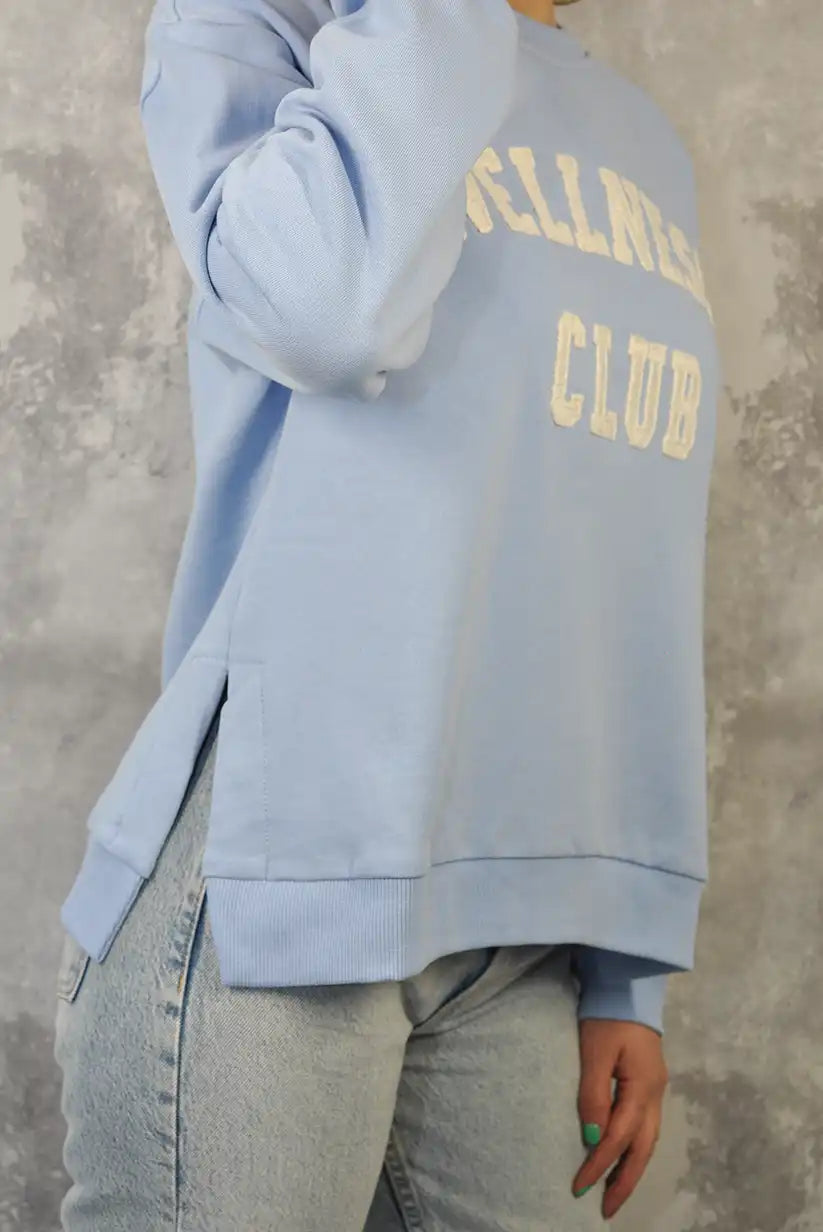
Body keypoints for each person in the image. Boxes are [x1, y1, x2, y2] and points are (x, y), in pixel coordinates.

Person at [53, 0, 720, 1226]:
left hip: (518, 929)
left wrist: (625, 966)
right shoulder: (253, 28)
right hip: (280, 891)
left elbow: (625, 544)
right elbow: (325, 310)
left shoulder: (637, 135)